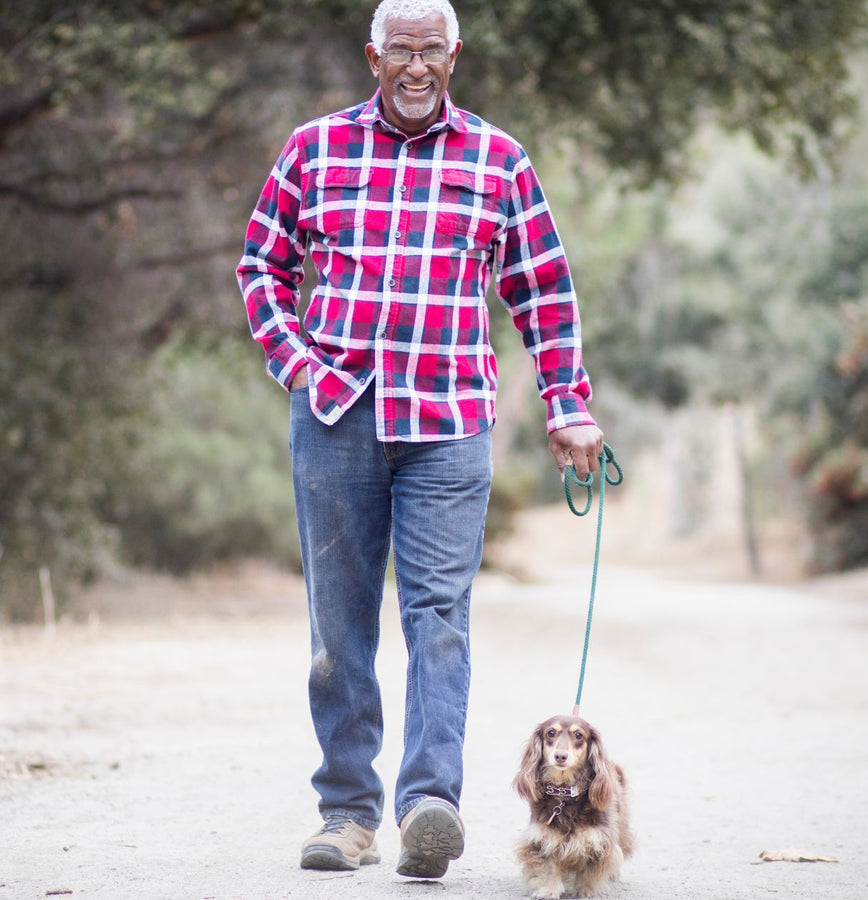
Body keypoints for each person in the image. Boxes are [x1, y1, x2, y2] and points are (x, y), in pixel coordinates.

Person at [235, 0, 605, 880]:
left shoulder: (497, 158)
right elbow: (262, 264)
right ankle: (348, 814)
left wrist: (568, 405)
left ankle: (429, 805)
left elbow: (543, 291)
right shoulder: (313, 149)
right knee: (338, 626)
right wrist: (299, 366)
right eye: (398, 50)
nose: (414, 66)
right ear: (373, 56)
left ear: (454, 57)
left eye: (429, 51)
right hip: (337, 418)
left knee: (439, 618)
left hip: (448, 423)